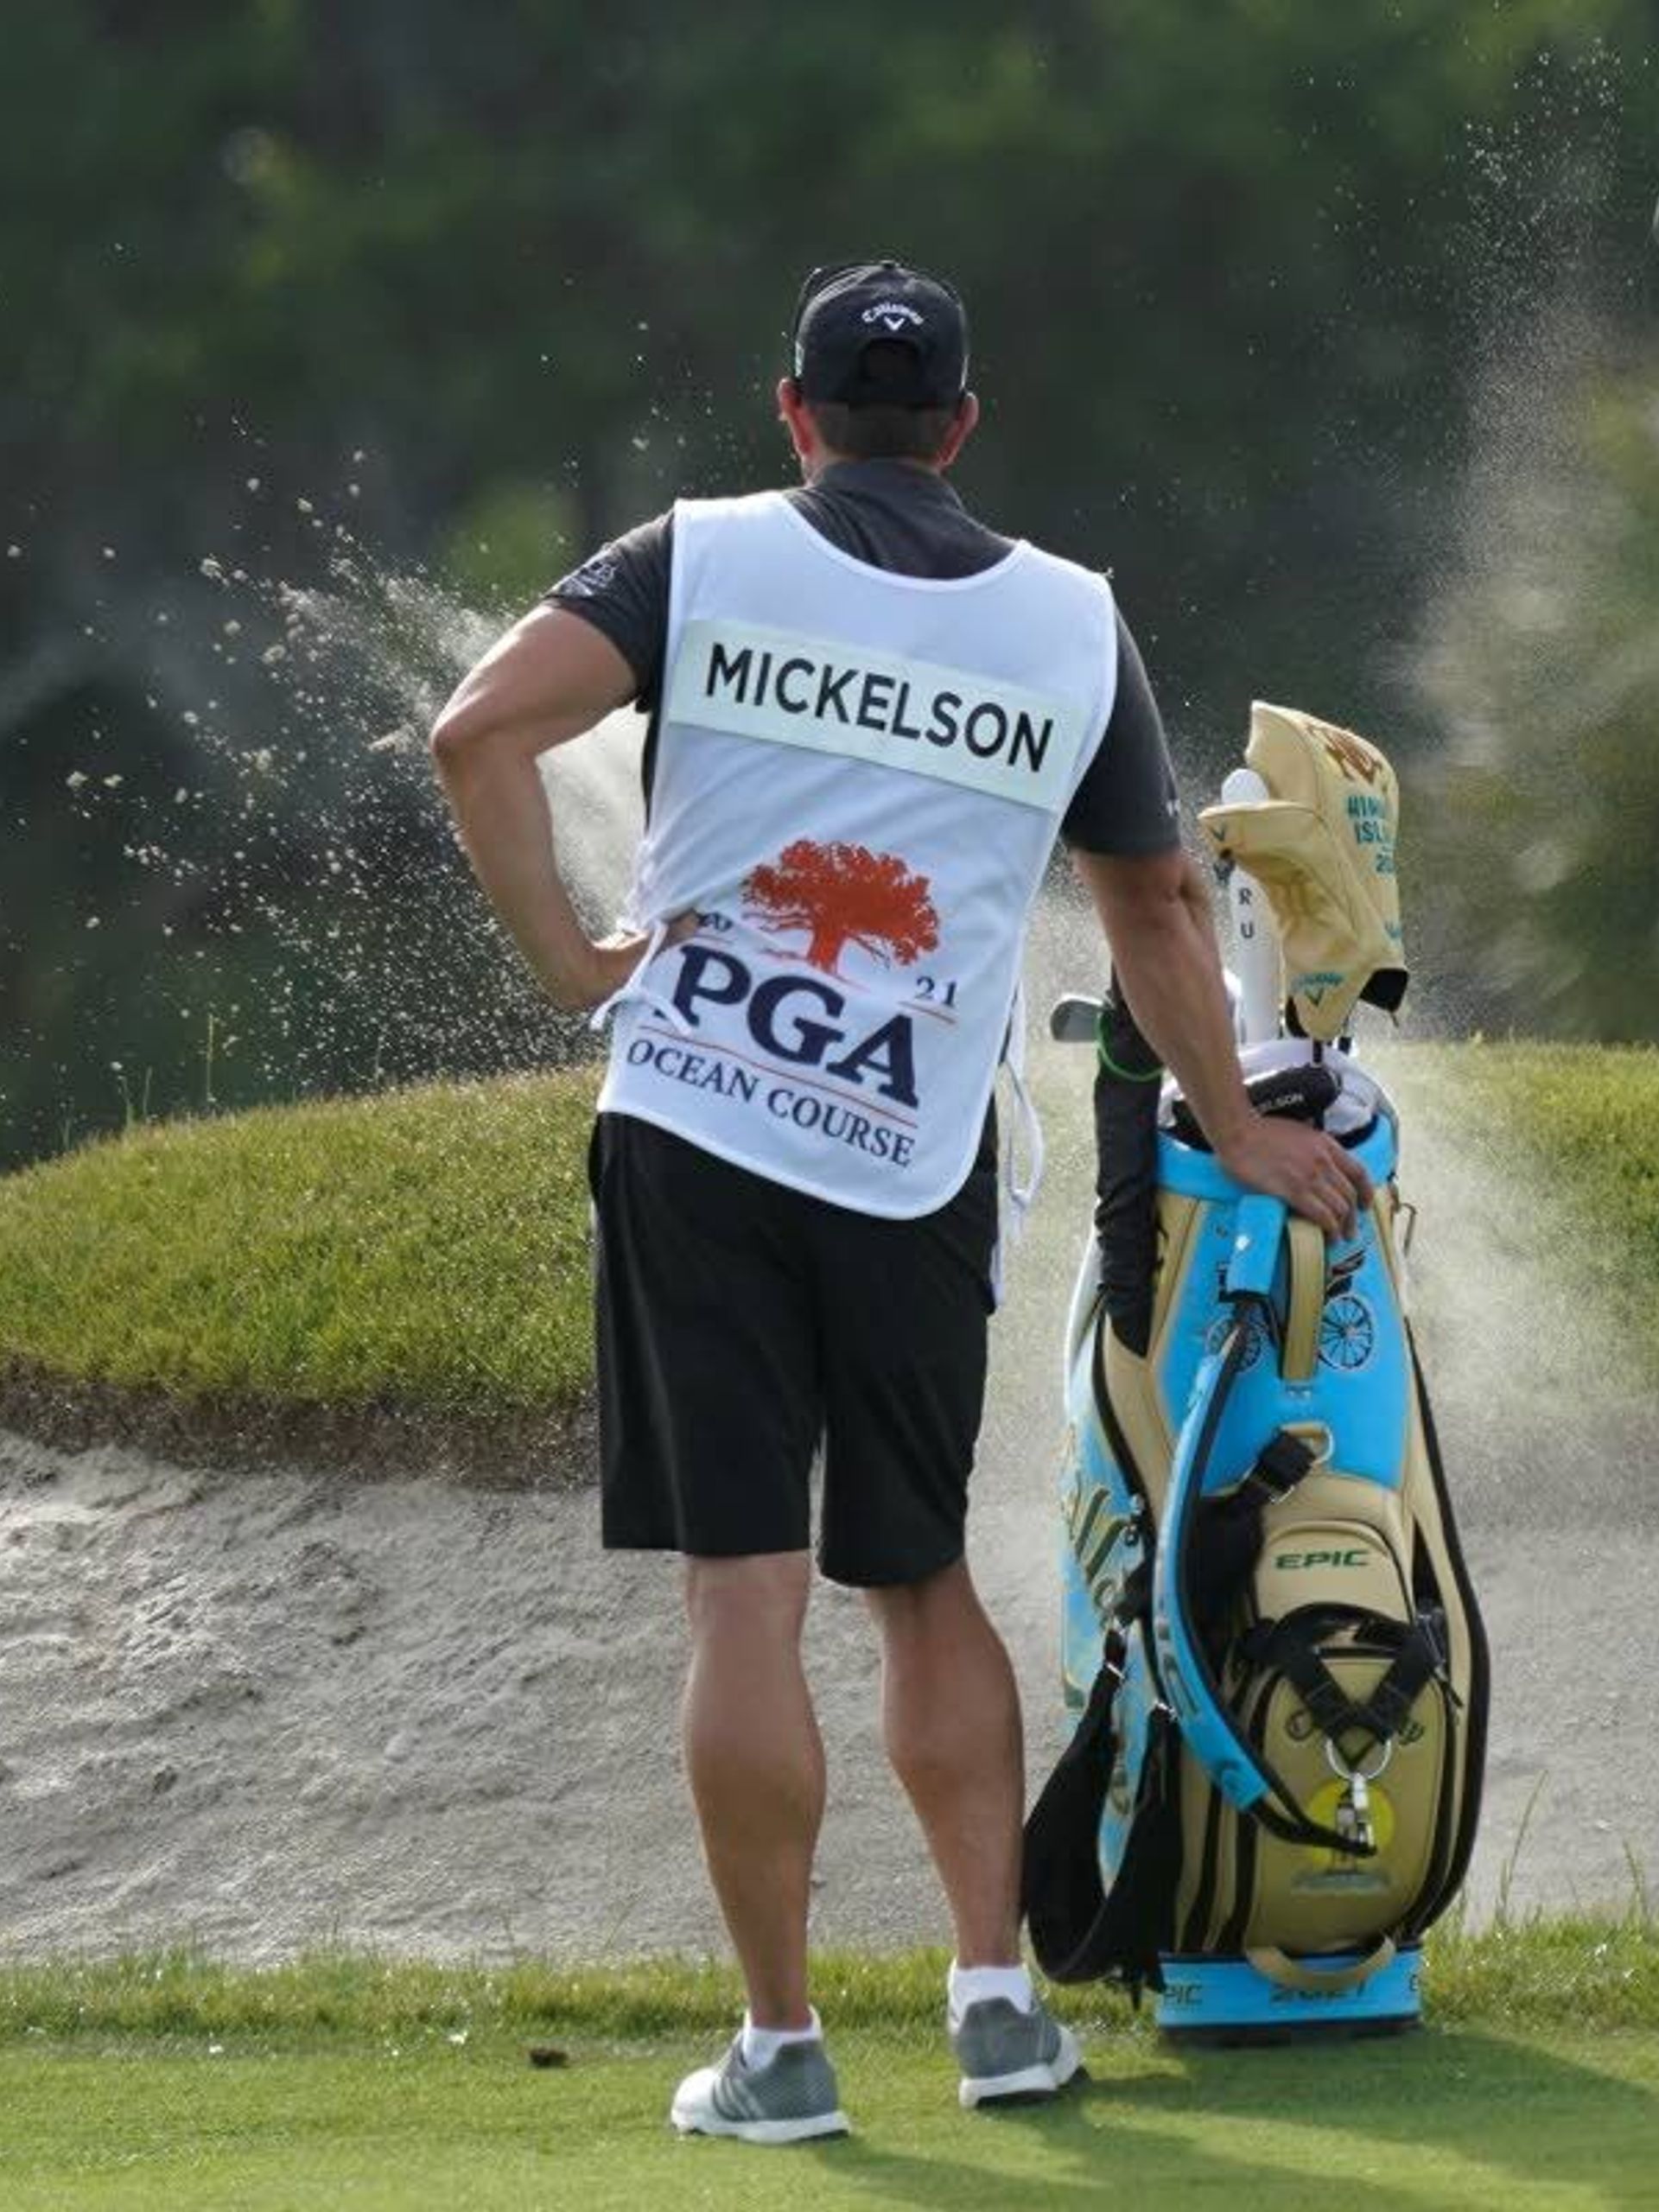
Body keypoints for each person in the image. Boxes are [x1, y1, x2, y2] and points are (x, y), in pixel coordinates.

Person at [427, 259, 1370, 2143]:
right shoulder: (1069, 621)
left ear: (795, 412)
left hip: (691, 1122)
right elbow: (1160, 902)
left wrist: (568, 957)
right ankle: (999, 2005)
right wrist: (1234, 1117)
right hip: (912, 1157)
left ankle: (780, 2048)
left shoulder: (691, 555)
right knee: (919, 1578)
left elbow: (477, 731)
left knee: (745, 1592)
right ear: (957, 422)